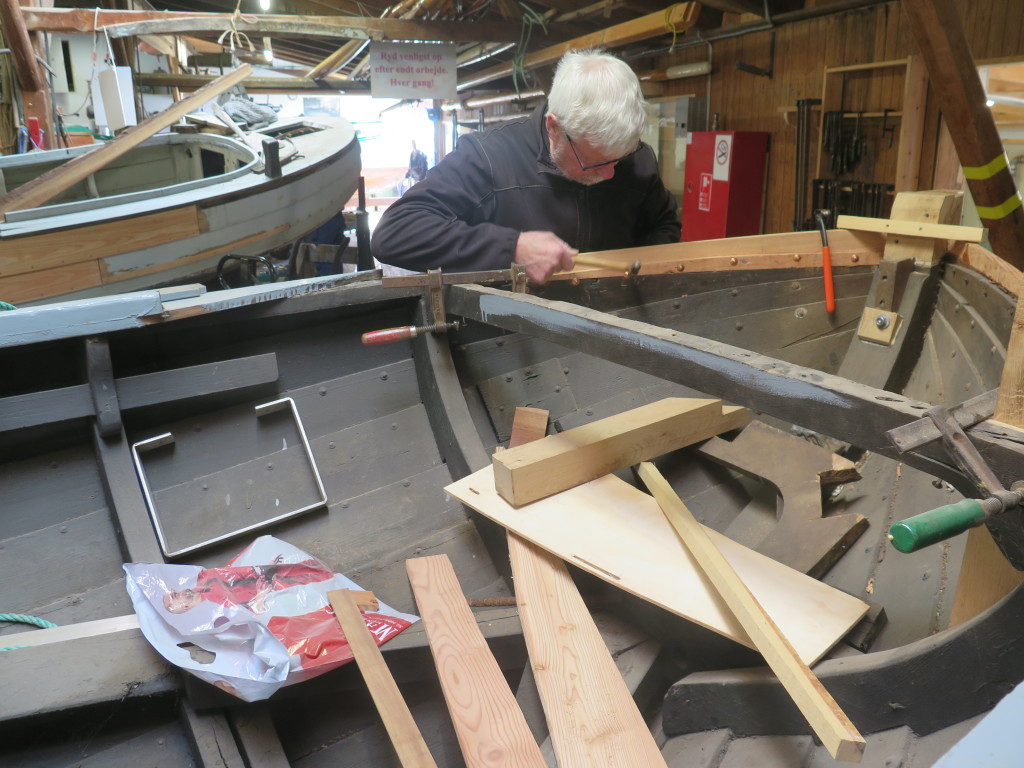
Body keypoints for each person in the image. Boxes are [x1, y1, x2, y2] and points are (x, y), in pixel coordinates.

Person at [371, 49, 681, 285]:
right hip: (511, 330)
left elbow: (664, 223)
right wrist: (512, 248)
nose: (611, 173)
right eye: (595, 162)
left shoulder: (638, 159)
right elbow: (395, 232)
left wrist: (643, 278)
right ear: (554, 128)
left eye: (620, 159)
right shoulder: (488, 157)